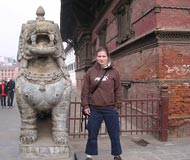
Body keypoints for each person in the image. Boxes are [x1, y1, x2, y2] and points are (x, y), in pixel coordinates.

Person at [81, 46, 123, 160]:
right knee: (92, 134)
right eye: (99, 56)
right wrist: (85, 105)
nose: (101, 58)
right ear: (96, 57)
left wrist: (117, 105)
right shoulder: (90, 72)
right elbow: (85, 90)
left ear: (108, 57)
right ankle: (90, 156)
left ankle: (117, 155)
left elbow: (118, 89)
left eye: (103, 56)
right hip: (94, 109)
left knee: (114, 134)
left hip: (110, 109)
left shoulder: (114, 72)